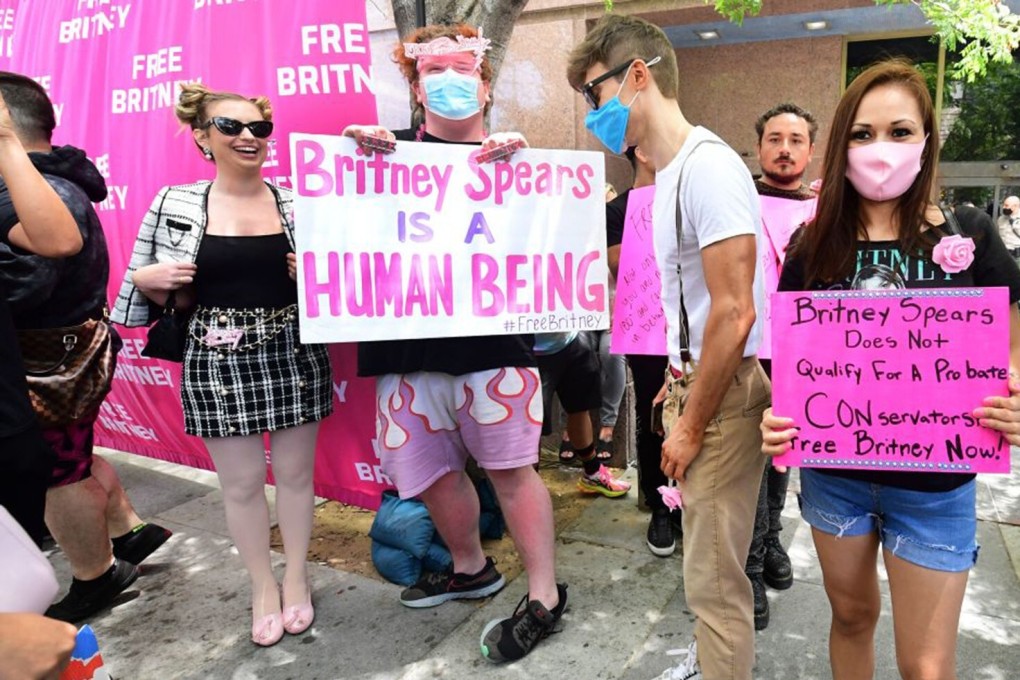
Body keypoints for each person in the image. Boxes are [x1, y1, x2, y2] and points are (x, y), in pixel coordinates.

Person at [761, 59, 1020, 679]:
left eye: (900, 132)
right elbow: (791, 363)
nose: (882, 149)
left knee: (926, 666)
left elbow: (1012, 343)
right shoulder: (810, 244)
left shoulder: (973, 235)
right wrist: (777, 417)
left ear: (927, 140)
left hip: (937, 489)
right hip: (835, 480)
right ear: (844, 141)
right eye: (863, 132)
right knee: (850, 620)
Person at [342, 24, 566, 664]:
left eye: (462, 68)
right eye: (432, 69)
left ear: (486, 82)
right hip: (406, 353)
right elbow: (345, 241)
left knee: (512, 474)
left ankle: (545, 595)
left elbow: (554, 256)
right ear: (414, 87)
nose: (448, 79)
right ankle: (470, 569)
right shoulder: (376, 159)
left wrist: (530, 175)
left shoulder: (519, 165)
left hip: (493, 353)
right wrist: (349, 170)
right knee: (432, 475)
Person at [569, 15, 769, 680]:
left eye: (593, 95)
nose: (594, 112)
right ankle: (709, 660)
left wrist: (689, 419)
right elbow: (702, 304)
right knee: (704, 567)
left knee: (716, 581)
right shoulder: (676, 172)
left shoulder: (708, 167)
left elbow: (736, 310)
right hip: (701, 385)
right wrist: (677, 376)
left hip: (725, 395)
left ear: (636, 77)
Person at [111, 83, 333, 647]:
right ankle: (262, 586)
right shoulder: (173, 203)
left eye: (258, 128)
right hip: (214, 355)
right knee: (238, 485)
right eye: (230, 127)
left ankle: (298, 577)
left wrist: (312, 278)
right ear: (202, 137)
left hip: (292, 349)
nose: (247, 138)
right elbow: (135, 294)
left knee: (297, 477)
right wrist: (145, 279)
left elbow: (338, 292)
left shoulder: (296, 203)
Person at [0, 73, 173, 624]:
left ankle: (96, 576)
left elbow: (30, 280)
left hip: (46, 365)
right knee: (73, 453)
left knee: (58, 472)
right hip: (68, 356)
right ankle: (128, 530)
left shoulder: (27, 195)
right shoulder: (51, 183)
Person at [744, 102, 819, 630]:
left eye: (796, 139)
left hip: (804, 352)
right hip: (747, 348)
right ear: (759, 146)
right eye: (775, 138)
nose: (785, 148)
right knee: (748, 462)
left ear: (811, 151)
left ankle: (772, 540)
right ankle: (747, 567)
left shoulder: (828, 211)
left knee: (781, 457)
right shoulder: (737, 201)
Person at [605, 145, 676, 556]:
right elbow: (620, 265)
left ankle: (689, 499)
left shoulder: (686, 198)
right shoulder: (618, 210)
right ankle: (659, 504)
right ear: (645, 152)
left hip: (691, 328)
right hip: (646, 330)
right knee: (653, 417)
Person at [535, 329, 632, 496]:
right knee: (530, 422)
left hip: (571, 338)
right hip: (528, 348)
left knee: (580, 407)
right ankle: (528, 485)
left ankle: (593, 473)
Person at [996, 195, 1020, 266]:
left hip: (1017, 256)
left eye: (1006, 205)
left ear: (1015, 206)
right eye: (1004, 205)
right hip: (1002, 253)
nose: (1004, 207)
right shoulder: (1001, 219)